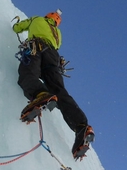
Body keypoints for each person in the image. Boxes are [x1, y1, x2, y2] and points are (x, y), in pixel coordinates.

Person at [12, 9, 94, 160]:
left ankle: (40, 94)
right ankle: (81, 126)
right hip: (53, 58)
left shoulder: (37, 19)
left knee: (28, 74)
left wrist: (16, 26)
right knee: (59, 90)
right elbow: (57, 46)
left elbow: (18, 28)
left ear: (47, 16)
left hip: (36, 47)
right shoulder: (58, 34)